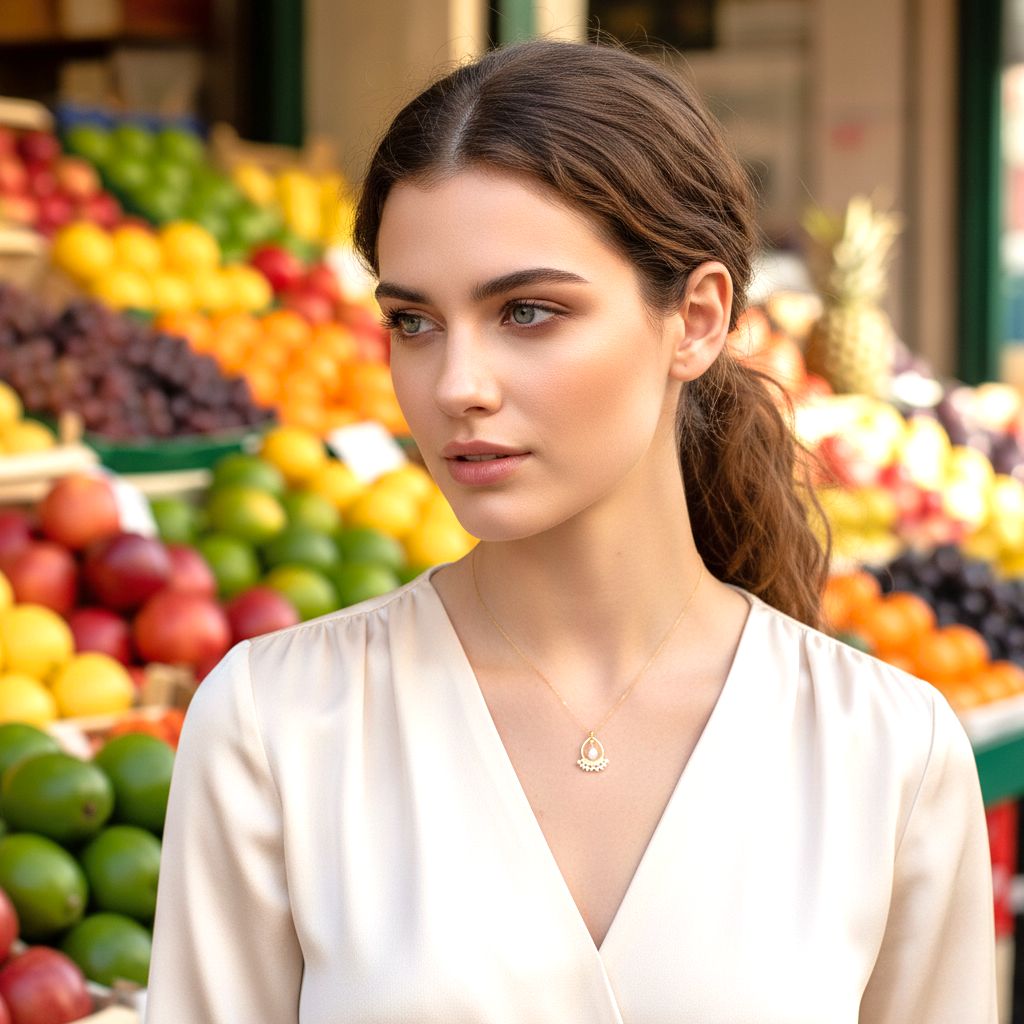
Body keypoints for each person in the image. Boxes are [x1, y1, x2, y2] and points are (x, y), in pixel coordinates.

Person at [145, 38, 997, 1023]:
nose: (457, 385)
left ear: (697, 319)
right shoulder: (276, 724)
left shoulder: (888, 751)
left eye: (527, 311)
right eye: (414, 322)